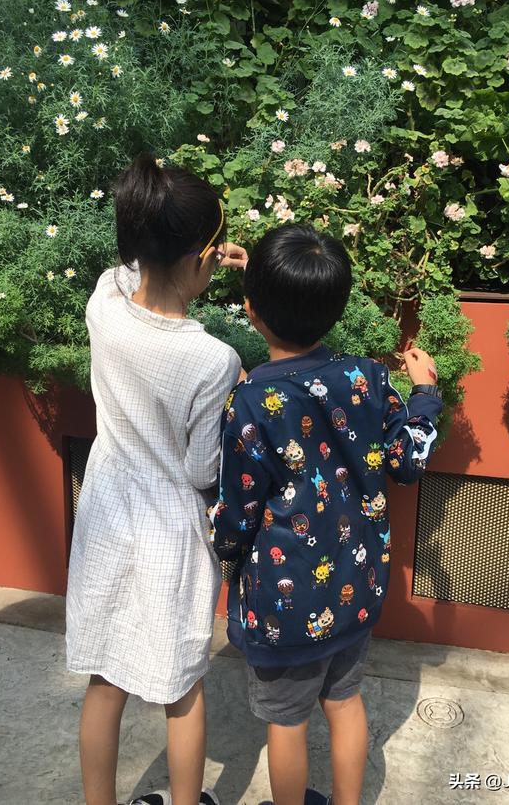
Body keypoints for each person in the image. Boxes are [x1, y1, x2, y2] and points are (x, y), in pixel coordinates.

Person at [212, 224, 443, 805]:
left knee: (287, 722)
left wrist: (224, 553)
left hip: (284, 606)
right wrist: (425, 394)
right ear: (337, 308)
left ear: (250, 311)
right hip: (355, 589)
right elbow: (407, 461)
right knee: (344, 703)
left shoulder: (250, 401)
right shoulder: (367, 377)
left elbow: (237, 513)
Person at [66, 154, 247, 805]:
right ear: (198, 258)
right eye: (213, 250)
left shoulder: (104, 302)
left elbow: (126, 271)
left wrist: (196, 250)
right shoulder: (213, 359)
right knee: (182, 687)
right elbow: (201, 468)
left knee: (104, 677)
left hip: (107, 509)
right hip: (171, 530)